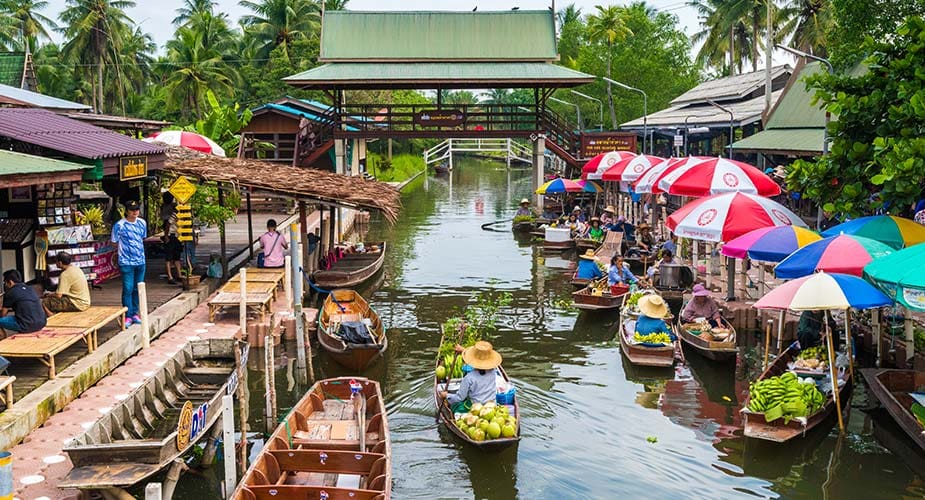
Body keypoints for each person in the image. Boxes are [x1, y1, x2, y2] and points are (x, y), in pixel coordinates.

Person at [439, 341, 503, 413]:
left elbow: (459, 398)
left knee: (455, 405)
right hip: (491, 406)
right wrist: (463, 350)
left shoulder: (469, 378)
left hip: (475, 408)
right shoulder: (493, 371)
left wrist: (446, 395)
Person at [111, 200, 147, 328]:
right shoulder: (119, 225)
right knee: (128, 288)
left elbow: (143, 237)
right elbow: (114, 241)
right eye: (132, 210)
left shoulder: (142, 223)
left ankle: (135, 313)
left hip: (140, 260)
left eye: (137, 209)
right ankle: (127, 314)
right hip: (126, 261)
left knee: (138, 287)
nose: (135, 212)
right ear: (127, 211)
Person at [42, 252, 91, 316]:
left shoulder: (64, 275)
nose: (55, 263)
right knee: (55, 300)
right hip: (85, 301)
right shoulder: (77, 269)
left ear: (60, 263)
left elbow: (58, 295)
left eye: (56, 262)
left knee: (44, 302)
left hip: (77, 304)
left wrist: (48, 294)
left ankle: (51, 316)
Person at [0, 270, 46, 334]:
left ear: (10, 282)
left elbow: (3, 314)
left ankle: (2, 339)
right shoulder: (30, 288)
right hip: (42, 323)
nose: (5, 285)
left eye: (5, 283)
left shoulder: (10, 292)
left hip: (26, 325)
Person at [162, 210, 183, 285]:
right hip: (172, 236)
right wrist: (166, 236)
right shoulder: (175, 214)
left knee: (177, 257)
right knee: (169, 257)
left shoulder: (185, 215)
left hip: (178, 237)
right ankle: (170, 276)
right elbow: (168, 224)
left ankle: (179, 275)